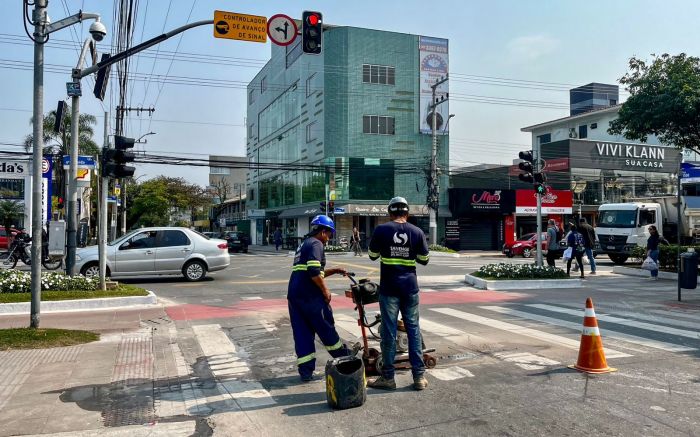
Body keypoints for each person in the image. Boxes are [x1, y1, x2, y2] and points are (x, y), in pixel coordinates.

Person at [367, 197, 430, 391]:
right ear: (407, 213)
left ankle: (388, 377)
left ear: (390, 213)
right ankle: (419, 377)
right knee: (413, 330)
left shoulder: (381, 230)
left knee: (389, 332)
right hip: (410, 288)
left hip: (389, 289)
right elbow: (424, 259)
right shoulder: (417, 232)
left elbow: (372, 255)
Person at [287, 215, 351, 382]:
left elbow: (313, 271)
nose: (328, 238)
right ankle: (344, 358)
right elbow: (314, 273)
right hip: (310, 296)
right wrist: (325, 291)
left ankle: (306, 372)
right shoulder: (317, 244)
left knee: (302, 333)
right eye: (329, 234)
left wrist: (335, 270)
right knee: (325, 327)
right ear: (323, 231)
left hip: (295, 295)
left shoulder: (304, 244)